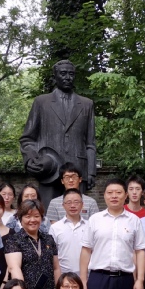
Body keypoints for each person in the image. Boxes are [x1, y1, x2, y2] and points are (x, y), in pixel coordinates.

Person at [20, 60, 97, 208]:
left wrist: (91, 172)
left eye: (71, 74)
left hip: (77, 170)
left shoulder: (86, 104)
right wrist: (31, 159)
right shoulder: (41, 102)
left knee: (78, 213)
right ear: (55, 76)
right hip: (49, 169)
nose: (68, 77)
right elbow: (28, 138)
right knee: (48, 213)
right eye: (63, 73)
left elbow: (90, 142)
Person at [80, 178, 145, 289]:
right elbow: (86, 250)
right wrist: (83, 279)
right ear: (104, 195)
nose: (114, 196)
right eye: (110, 193)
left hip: (124, 279)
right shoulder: (95, 219)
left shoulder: (134, 220)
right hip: (98, 278)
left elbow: (140, 251)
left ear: (126, 195)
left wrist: (140, 280)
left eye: (118, 192)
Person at [5, 200, 60, 289]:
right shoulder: (14, 240)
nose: (33, 220)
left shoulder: (48, 239)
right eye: (28, 216)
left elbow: (56, 268)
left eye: (36, 216)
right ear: (20, 219)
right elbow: (14, 268)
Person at [49, 188, 88, 274]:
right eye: (69, 202)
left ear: (82, 205)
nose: (73, 206)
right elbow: (52, 254)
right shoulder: (55, 228)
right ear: (63, 205)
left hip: (86, 274)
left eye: (76, 202)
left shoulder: (89, 226)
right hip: (63, 275)